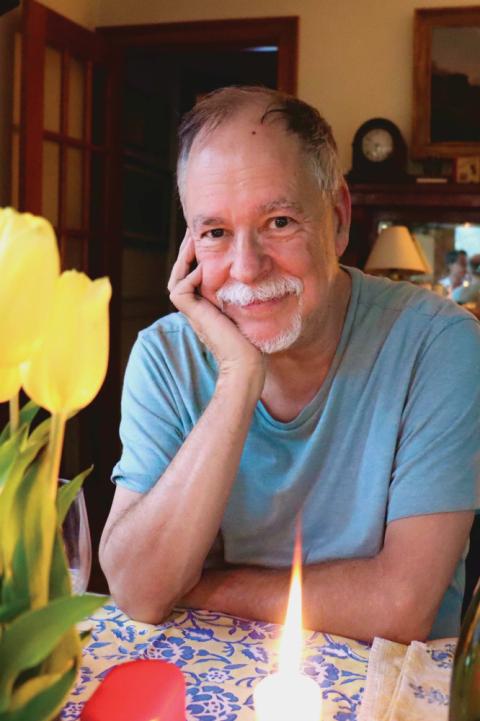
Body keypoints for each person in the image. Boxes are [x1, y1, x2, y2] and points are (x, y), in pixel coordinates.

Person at [99, 86, 480, 643]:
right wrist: (238, 378)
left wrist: (198, 588)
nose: (246, 268)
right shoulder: (165, 356)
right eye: (215, 233)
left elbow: (402, 607)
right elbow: (136, 589)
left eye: (279, 221)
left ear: (338, 219)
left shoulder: (442, 344)